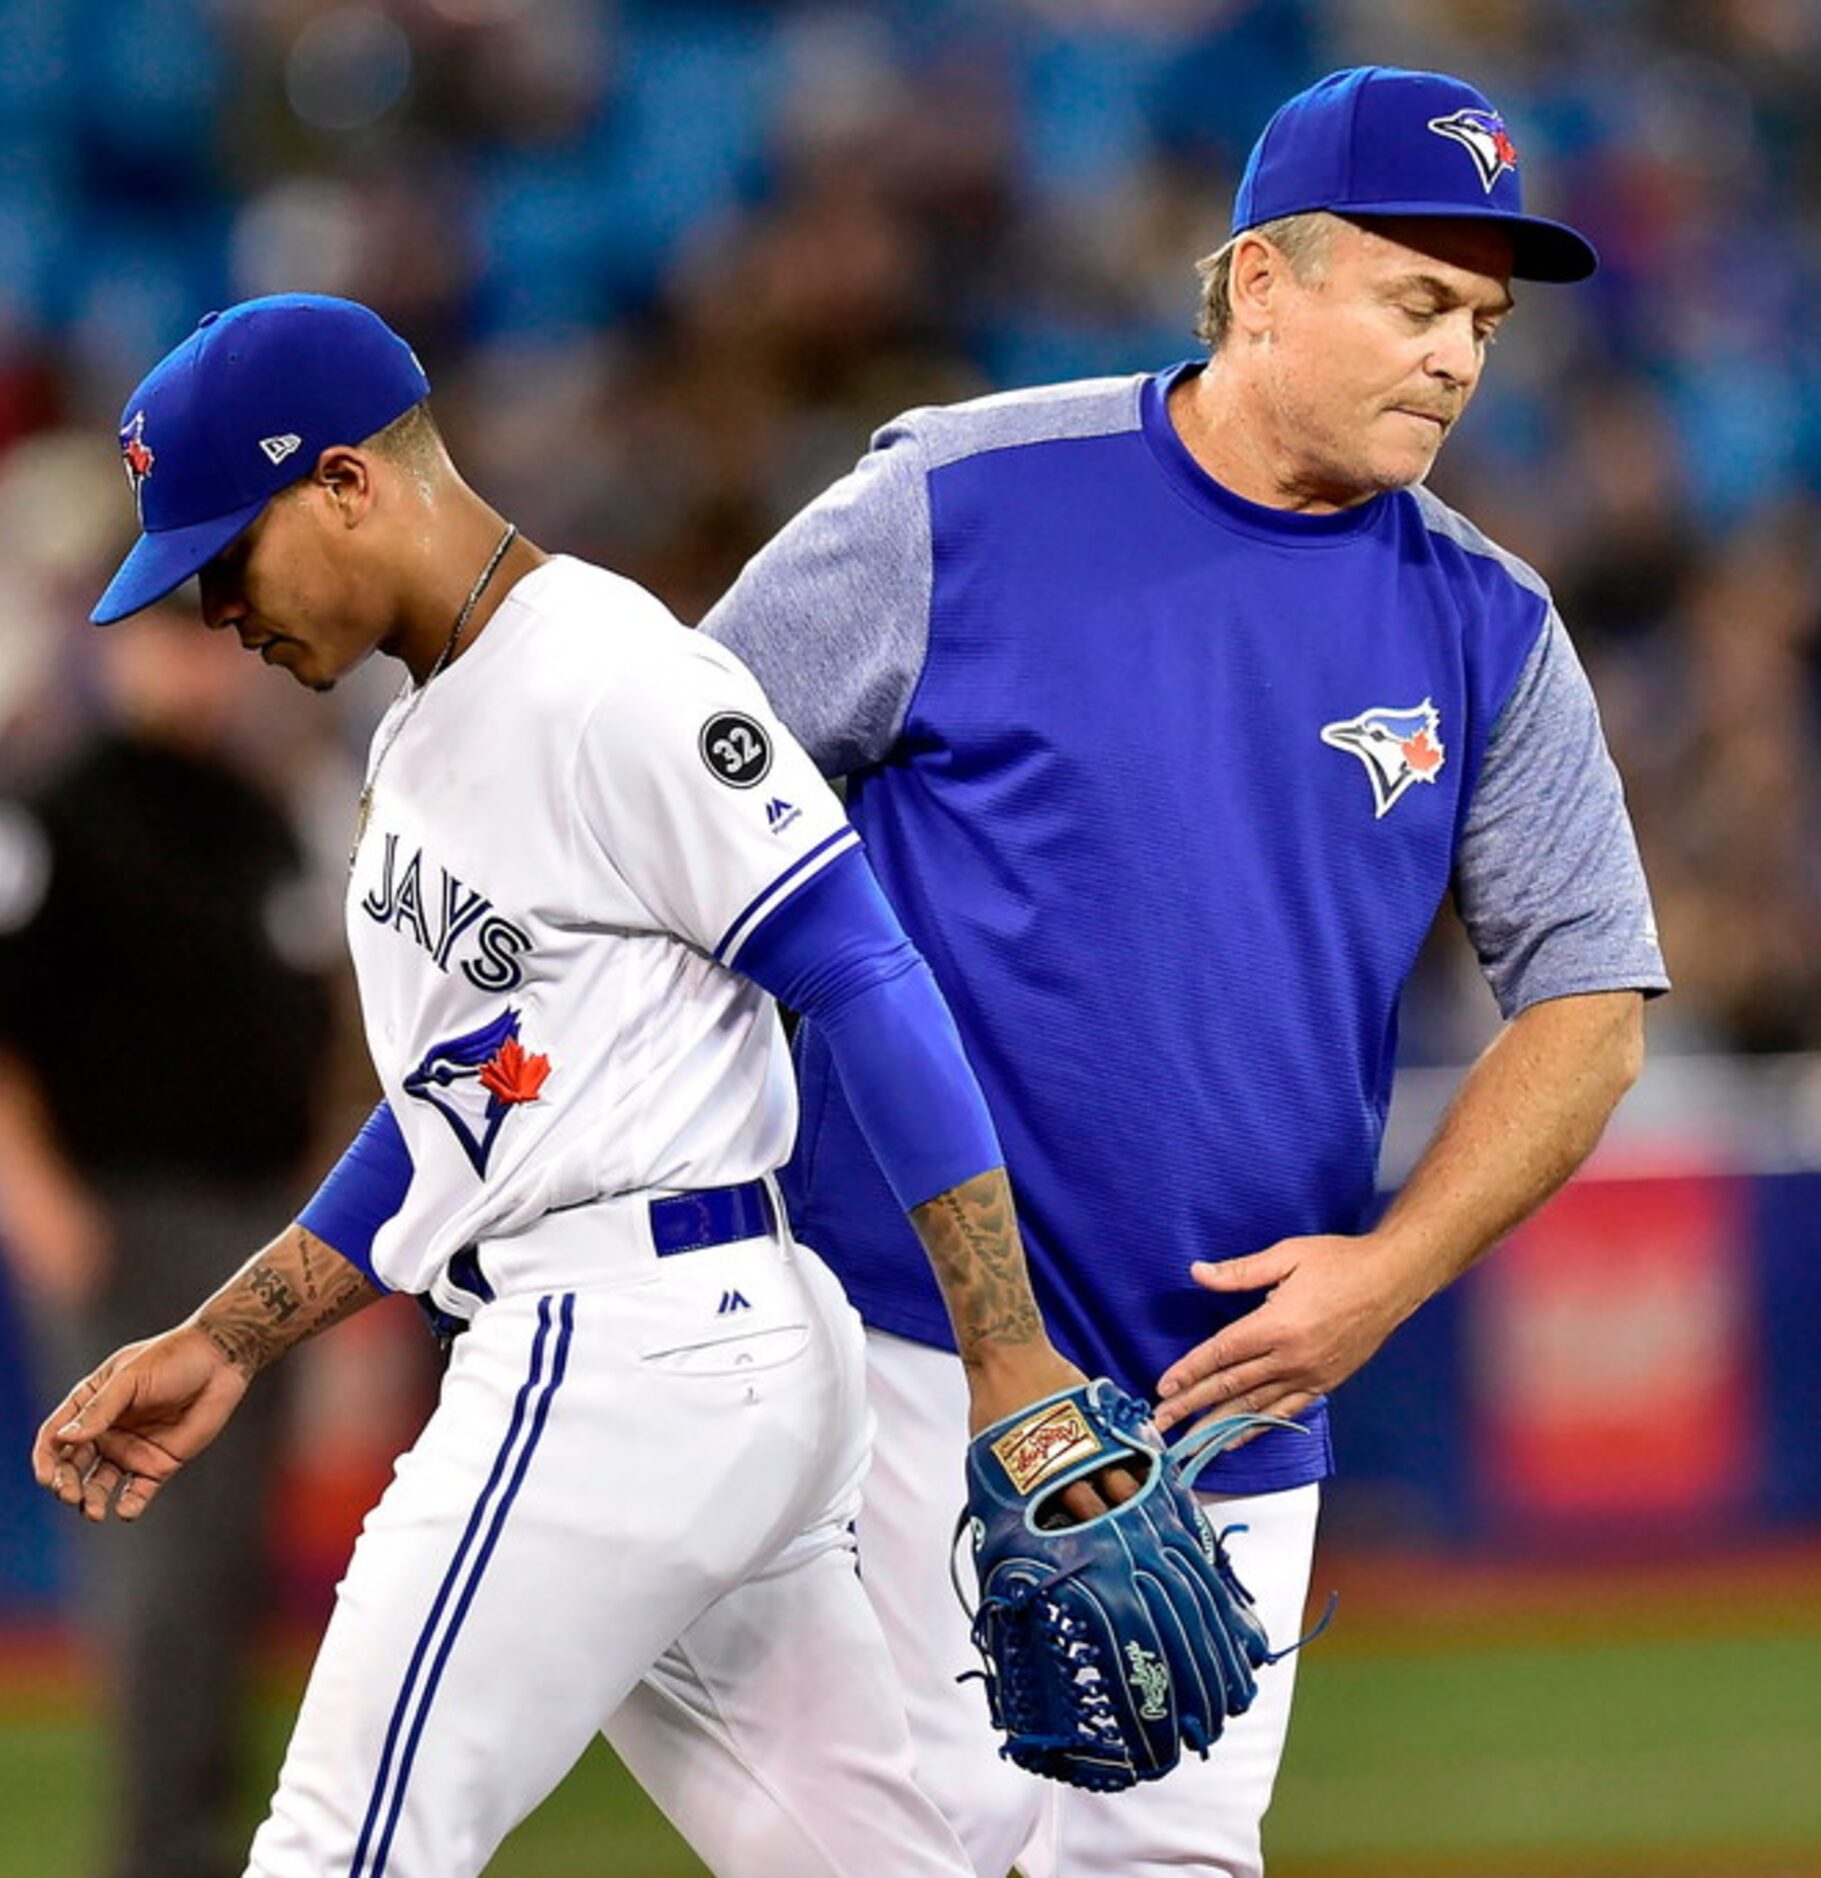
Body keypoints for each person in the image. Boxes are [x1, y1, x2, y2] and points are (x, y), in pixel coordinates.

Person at [700, 65, 1668, 1878]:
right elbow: (666, 808)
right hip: (901, 1347)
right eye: (1412, 299)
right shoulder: (955, 506)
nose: (1456, 357)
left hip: (1232, 1390)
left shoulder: (1483, 621)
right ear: (1255, 285)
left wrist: (1383, 1277)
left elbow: (1589, 1008)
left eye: (1479, 318)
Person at [32, 292, 1120, 1877]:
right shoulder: (425, 730)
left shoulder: (609, 676)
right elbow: (450, 1116)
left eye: (223, 556)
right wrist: (228, 1335)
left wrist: (1005, 1348)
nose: (211, 613)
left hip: (626, 1350)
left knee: (341, 1844)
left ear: (345, 482)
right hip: (688, 1355)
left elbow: (866, 973)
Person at [0, 603, 332, 1878]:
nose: (190, 664)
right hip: (124, 1219)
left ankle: (208, 1836)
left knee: (233, 1558)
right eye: (162, 638)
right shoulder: (39, 811)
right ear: (109, 653)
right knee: (157, 1556)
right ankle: (161, 1851)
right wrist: (26, 1187)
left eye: (206, 638)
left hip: (255, 1233)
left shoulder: (259, 817)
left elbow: (313, 1030)